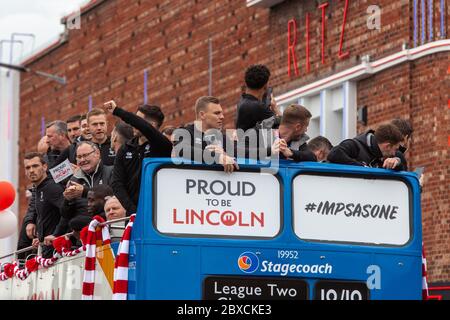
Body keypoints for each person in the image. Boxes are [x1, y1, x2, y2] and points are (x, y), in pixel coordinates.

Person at [103, 100, 172, 215]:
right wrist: (132, 210)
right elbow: (117, 183)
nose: (132, 124)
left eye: (137, 120)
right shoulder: (125, 148)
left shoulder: (162, 145)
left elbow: (145, 127)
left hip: (158, 212)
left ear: (152, 125)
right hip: (132, 214)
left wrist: (117, 111)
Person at [47, 141, 114, 243]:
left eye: (86, 155)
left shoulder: (111, 172)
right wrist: (67, 201)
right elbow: (66, 215)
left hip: (109, 233)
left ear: (97, 154)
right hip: (83, 240)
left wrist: (85, 192)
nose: (82, 160)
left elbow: (114, 198)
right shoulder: (74, 180)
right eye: (79, 157)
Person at [173, 96, 239, 173]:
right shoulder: (184, 132)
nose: (222, 117)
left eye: (221, 113)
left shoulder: (224, 139)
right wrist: (217, 157)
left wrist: (226, 155)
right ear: (202, 115)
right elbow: (181, 149)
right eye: (217, 113)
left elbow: (240, 156)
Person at [22, 152, 64, 258]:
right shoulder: (38, 188)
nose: (31, 170)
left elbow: (68, 212)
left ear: (44, 167)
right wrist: (40, 238)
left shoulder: (51, 187)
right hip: (47, 251)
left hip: (58, 253)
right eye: (27, 168)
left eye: (35, 166)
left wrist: (56, 234)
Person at [327, 123, 404, 169]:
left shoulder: (383, 157)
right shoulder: (354, 145)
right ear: (387, 146)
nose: (394, 154)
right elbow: (334, 154)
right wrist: (363, 168)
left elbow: (401, 169)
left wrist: (397, 162)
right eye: (395, 149)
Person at [236, 64, 281, 131]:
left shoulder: (241, 104)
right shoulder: (259, 107)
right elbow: (283, 126)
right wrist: (276, 109)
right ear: (265, 86)